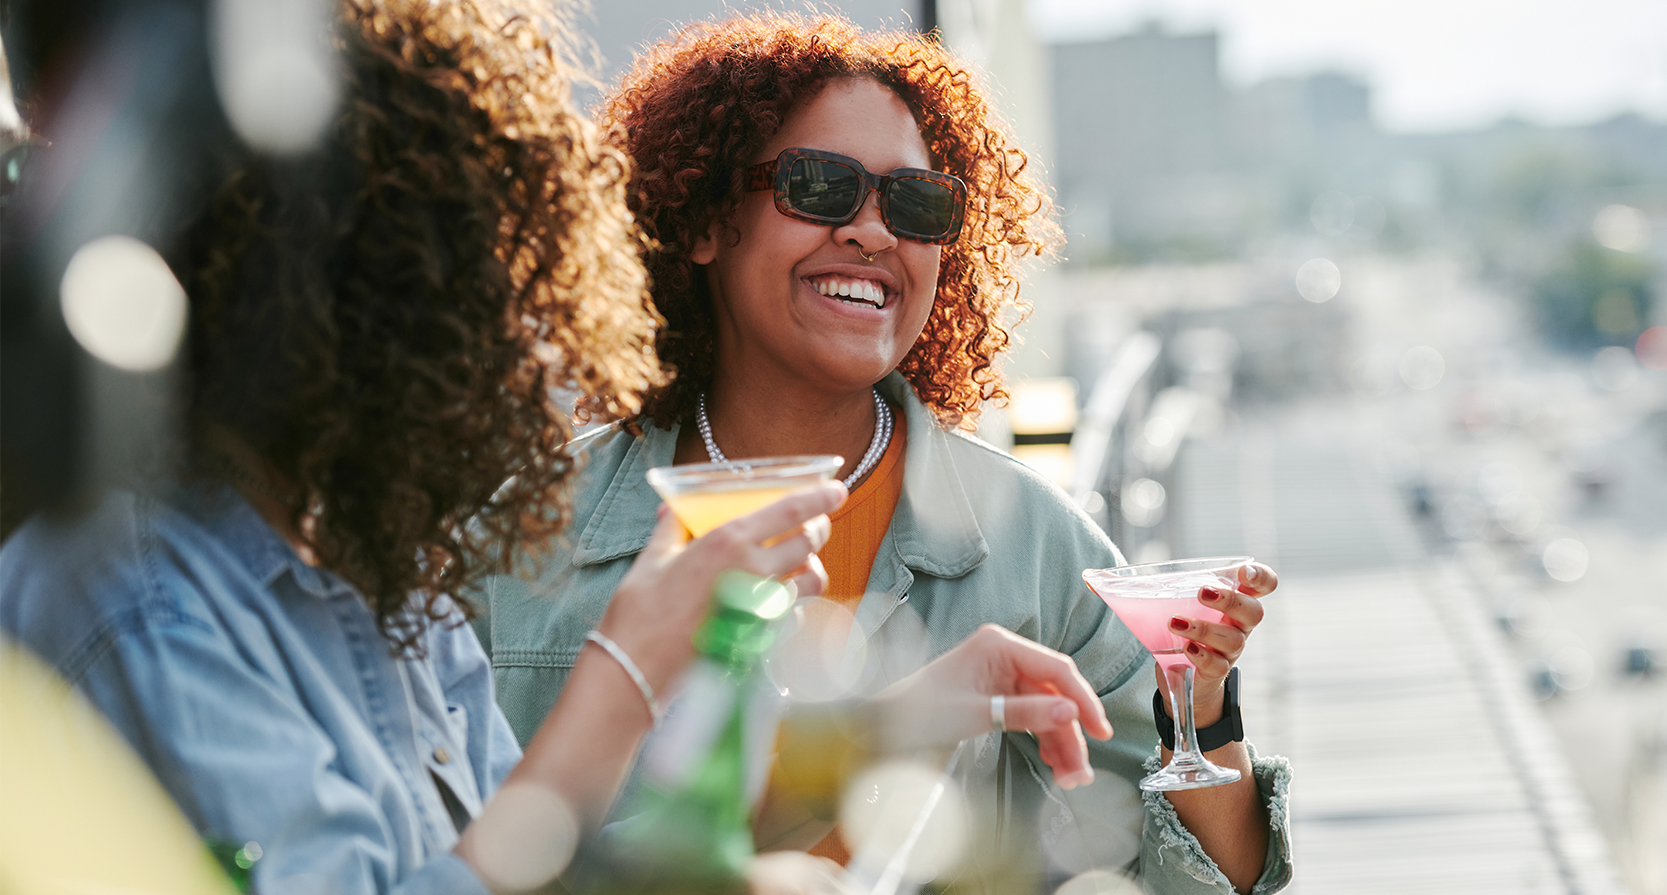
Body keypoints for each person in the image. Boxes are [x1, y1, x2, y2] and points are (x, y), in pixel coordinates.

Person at [0, 2, 1113, 892]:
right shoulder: (146, 602)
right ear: (348, 298)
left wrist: (878, 730)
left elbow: (529, 862)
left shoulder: (393, 592)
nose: (532, 345)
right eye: (491, 288)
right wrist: (628, 669)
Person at [478, 13, 1291, 895]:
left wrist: (1202, 708)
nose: (873, 232)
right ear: (705, 221)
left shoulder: (1039, 549)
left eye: (915, 203)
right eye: (819, 186)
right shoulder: (520, 540)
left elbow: (1204, 882)